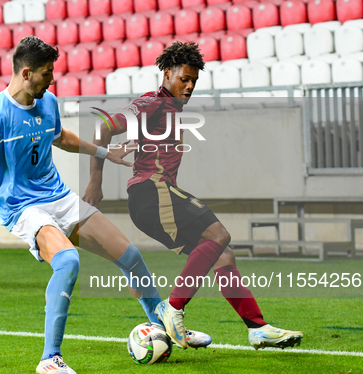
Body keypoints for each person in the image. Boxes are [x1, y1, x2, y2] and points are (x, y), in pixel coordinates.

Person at [0, 36, 211, 374]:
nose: (53, 79)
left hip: (58, 197)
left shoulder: (47, 102)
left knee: (130, 255)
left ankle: (164, 322)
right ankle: (49, 358)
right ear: (26, 73)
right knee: (67, 261)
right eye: (47, 73)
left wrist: (106, 153)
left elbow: (61, 137)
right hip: (22, 207)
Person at [83, 41, 304, 351]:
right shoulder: (154, 104)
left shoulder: (167, 109)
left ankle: (258, 327)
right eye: (184, 79)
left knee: (222, 254)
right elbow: (103, 125)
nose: (189, 87)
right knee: (219, 235)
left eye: (194, 82)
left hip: (155, 196)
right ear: (167, 74)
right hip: (152, 192)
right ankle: (173, 308)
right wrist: (96, 180)